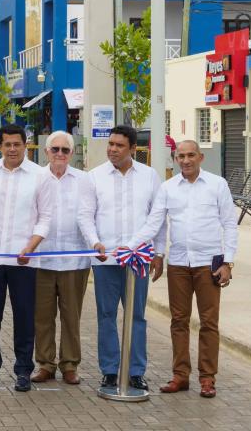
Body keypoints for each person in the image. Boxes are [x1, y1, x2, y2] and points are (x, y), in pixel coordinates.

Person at [126, 140, 238, 398]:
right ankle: (180, 375)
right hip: (178, 263)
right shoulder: (168, 188)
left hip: (208, 264)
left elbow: (230, 224)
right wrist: (133, 247)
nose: (186, 160)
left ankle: (208, 378)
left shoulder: (217, 185)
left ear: (200, 157)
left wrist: (228, 262)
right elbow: (156, 223)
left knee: (209, 322)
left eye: (190, 155)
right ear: (175, 160)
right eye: (181, 156)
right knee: (179, 321)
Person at [77, 125, 165, 391]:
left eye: (119, 146)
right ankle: (110, 370)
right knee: (106, 315)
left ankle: (136, 371)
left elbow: (158, 219)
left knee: (136, 315)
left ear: (133, 149)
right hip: (106, 261)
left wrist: (159, 253)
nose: (112, 150)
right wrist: (94, 242)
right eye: (110, 144)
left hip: (137, 260)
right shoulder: (93, 177)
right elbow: (85, 215)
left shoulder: (150, 177)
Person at [0, 124, 52, 392]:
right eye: (7, 144)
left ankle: (22, 371)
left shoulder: (40, 175)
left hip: (25, 259)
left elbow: (45, 217)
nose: (12, 149)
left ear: (26, 145)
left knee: (24, 316)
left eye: (17, 144)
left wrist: (31, 246)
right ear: (0, 146)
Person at [32, 131, 90, 386]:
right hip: (41, 259)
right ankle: (45, 363)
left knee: (71, 315)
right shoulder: (35, 178)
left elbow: (90, 216)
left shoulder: (84, 180)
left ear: (72, 153)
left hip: (74, 260)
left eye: (65, 150)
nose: (59, 154)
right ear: (46, 152)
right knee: (42, 316)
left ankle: (69, 365)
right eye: (54, 149)